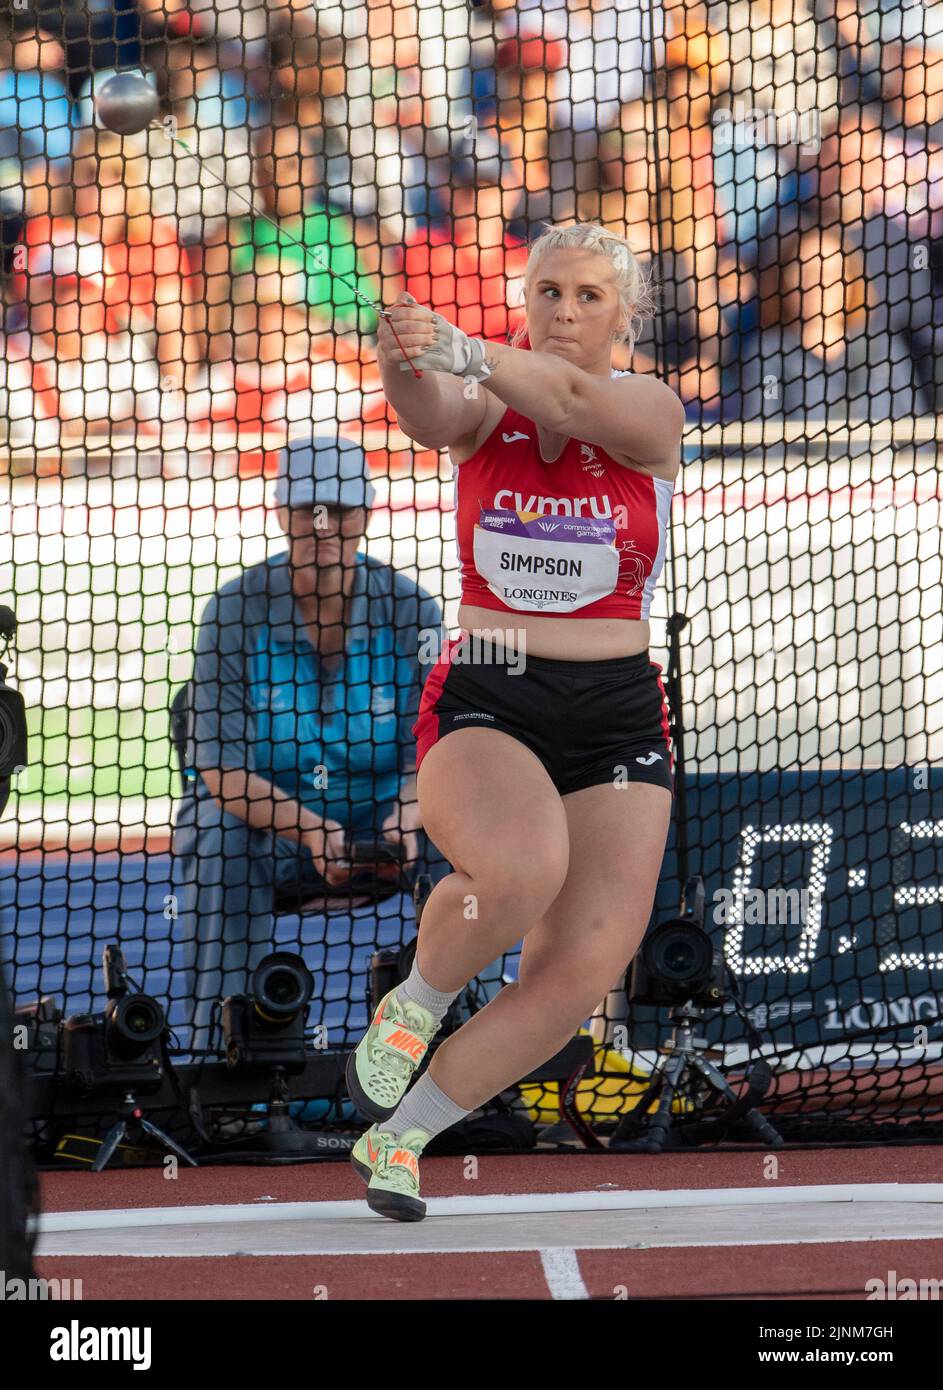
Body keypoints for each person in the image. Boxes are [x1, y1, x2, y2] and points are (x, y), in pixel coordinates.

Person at [346, 220, 684, 1220]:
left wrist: (461, 344)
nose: (565, 313)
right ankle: (416, 997)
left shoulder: (647, 408)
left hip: (619, 706)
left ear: (624, 314)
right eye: (548, 292)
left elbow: (579, 401)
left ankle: (399, 1137)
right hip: (493, 686)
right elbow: (425, 411)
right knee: (519, 868)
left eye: (587, 296)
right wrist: (405, 355)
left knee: (581, 967)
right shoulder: (488, 403)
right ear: (524, 299)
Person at [172, 436, 444, 1054]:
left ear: (366, 518)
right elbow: (221, 770)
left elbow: (435, 753)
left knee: (466, 829)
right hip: (276, 831)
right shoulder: (232, 613)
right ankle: (221, 1049)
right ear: (281, 515)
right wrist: (314, 832)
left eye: (340, 511)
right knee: (216, 832)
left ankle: (462, 1042)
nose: (324, 526)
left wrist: (409, 814)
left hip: (386, 819)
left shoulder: (414, 613)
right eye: (308, 510)